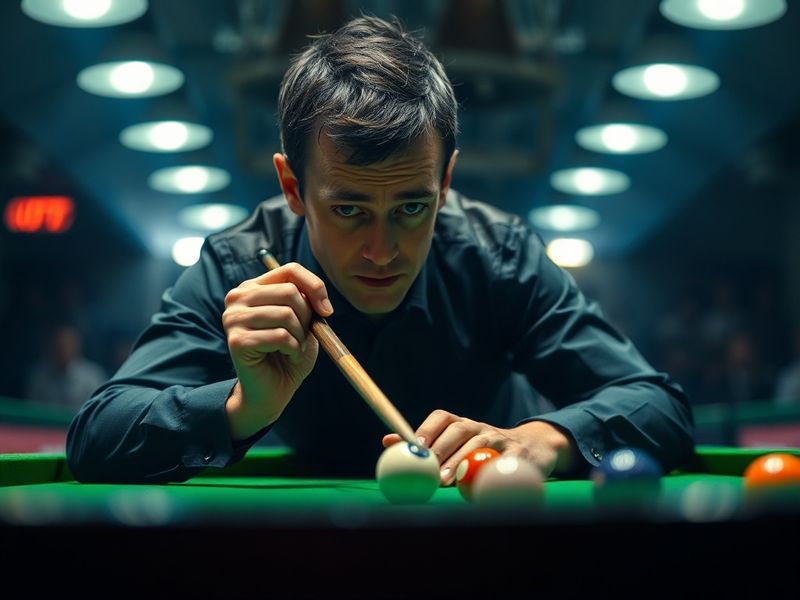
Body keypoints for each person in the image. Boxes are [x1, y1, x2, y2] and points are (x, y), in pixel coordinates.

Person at [66, 15, 694, 484]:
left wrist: (543, 440)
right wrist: (242, 404)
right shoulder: (240, 265)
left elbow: (659, 407)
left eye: (412, 208)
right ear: (292, 187)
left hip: (497, 529)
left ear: (445, 183)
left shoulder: (497, 255)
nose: (381, 250)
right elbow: (97, 436)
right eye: (348, 210)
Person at [26, 323, 106, 412]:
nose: (62, 350)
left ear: (76, 347)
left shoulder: (92, 376)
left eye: (66, 345)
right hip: (45, 425)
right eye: (58, 345)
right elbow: (33, 409)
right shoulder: (39, 375)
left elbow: (96, 411)